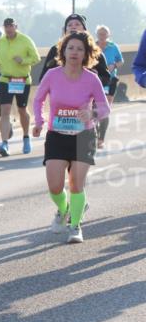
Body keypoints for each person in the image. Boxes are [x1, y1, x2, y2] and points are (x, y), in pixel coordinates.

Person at [31, 31, 110, 244]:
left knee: (76, 184)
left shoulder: (91, 79)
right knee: (55, 186)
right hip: (57, 135)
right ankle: (65, 209)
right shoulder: (52, 75)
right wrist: (38, 121)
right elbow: (37, 100)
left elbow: (104, 108)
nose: (74, 52)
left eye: (79, 49)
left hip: (83, 135)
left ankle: (75, 225)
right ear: (63, 52)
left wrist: (92, 114)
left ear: (86, 54)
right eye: (70, 48)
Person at [39, 15, 111, 149]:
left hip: (87, 103)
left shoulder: (94, 51)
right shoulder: (55, 50)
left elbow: (106, 76)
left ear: (85, 29)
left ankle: (96, 137)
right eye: (69, 24)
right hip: (61, 110)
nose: (73, 26)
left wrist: (89, 82)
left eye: (77, 24)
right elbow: (43, 77)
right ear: (65, 30)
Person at [0, 18, 40, 157]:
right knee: (4, 110)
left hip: (21, 80)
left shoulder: (25, 40)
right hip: (5, 79)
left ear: (16, 27)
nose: (8, 29)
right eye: (6, 27)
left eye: (11, 26)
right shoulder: (1, 41)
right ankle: (5, 143)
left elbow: (36, 58)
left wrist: (23, 61)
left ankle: (26, 137)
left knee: (22, 109)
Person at [96, 25, 123, 149]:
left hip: (111, 80)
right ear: (97, 35)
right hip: (97, 80)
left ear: (108, 35)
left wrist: (114, 66)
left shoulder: (113, 47)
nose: (102, 36)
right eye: (100, 33)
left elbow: (121, 61)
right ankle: (95, 132)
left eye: (104, 33)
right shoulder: (93, 47)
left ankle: (101, 139)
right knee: (95, 108)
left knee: (105, 109)